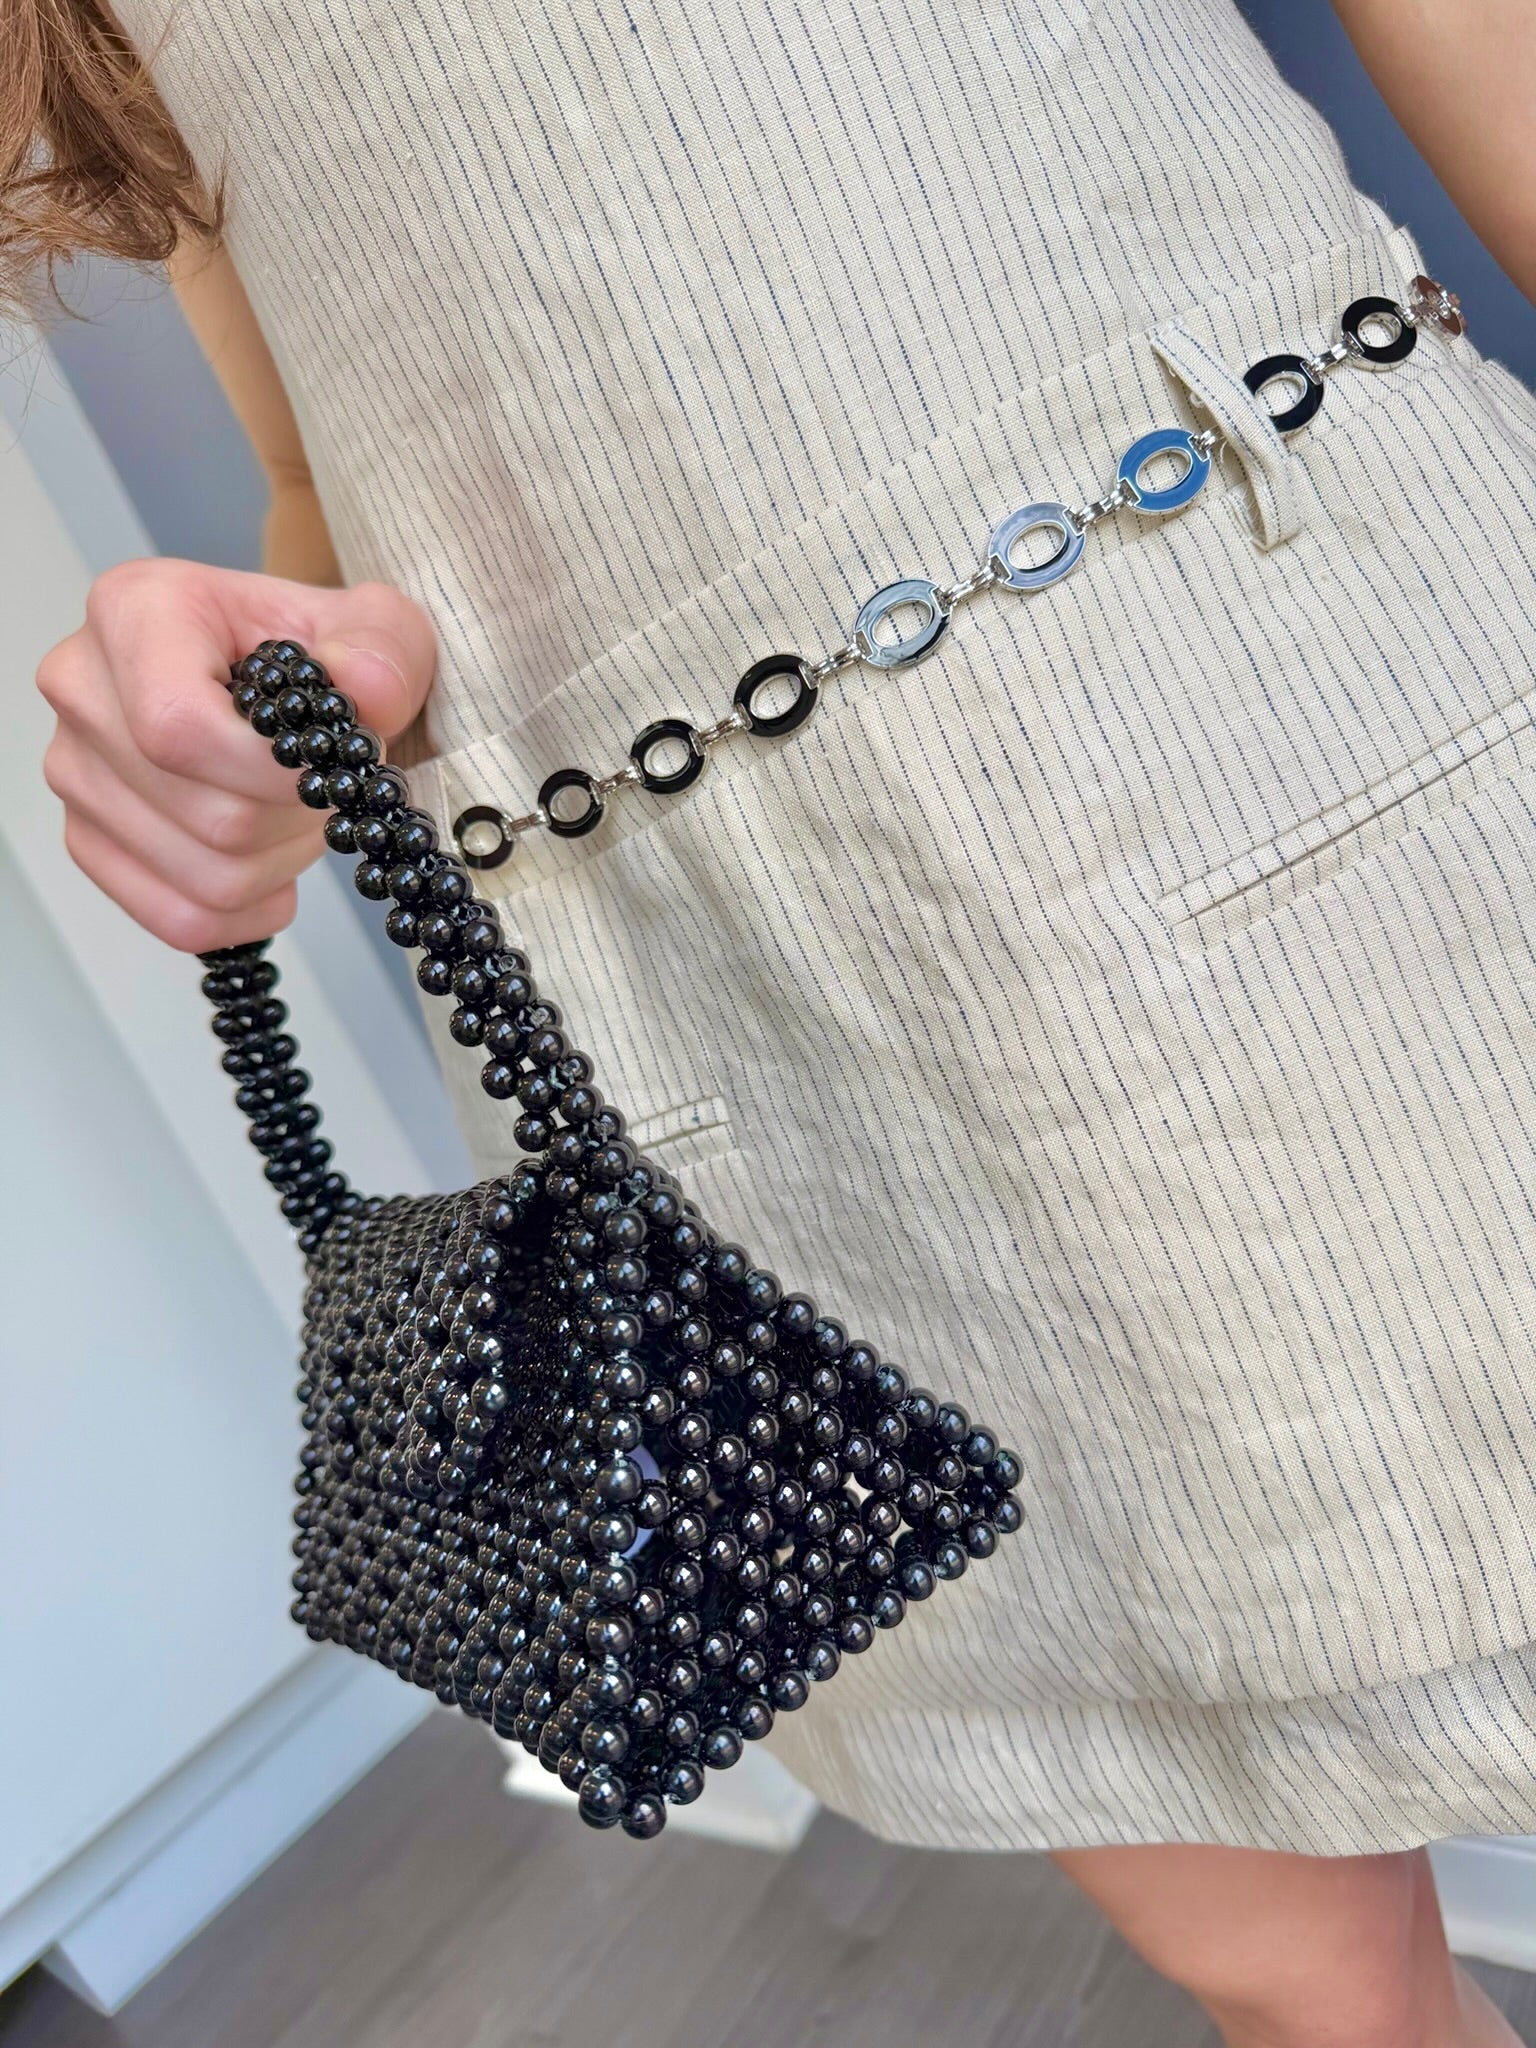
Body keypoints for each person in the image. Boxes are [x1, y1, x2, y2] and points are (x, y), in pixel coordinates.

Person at [9, 0, 1536, 2040]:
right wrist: (265, 689)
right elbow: (318, 466)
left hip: (1314, 726)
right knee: (1302, 1981)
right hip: (730, 1030)